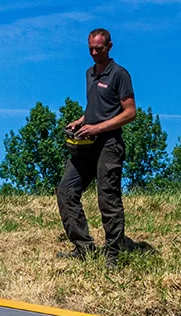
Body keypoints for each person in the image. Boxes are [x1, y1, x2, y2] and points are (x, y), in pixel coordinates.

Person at [56, 28, 136, 266]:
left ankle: (113, 254)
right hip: (86, 143)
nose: (93, 52)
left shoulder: (120, 74)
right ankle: (83, 248)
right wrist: (82, 121)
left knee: (107, 198)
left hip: (109, 144)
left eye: (98, 49)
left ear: (110, 46)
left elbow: (130, 112)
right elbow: (97, 105)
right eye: (90, 48)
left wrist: (99, 128)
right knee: (66, 191)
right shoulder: (89, 74)